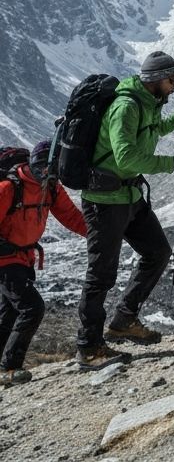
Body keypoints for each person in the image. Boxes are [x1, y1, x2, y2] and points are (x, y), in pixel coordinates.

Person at [76, 51, 174, 370]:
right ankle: (88, 347)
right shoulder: (127, 106)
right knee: (101, 274)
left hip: (127, 195)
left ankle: (124, 319)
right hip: (104, 200)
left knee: (157, 252)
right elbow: (127, 156)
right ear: (157, 79)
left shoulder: (147, 102)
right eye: (172, 81)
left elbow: (151, 131)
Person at [0, 141, 86, 384]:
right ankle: (9, 368)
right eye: (43, 169)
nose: (46, 175)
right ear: (33, 164)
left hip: (23, 258)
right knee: (31, 308)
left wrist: (100, 234)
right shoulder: (9, 187)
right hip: (5, 260)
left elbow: (71, 217)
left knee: (8, 314)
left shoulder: (51, 188)